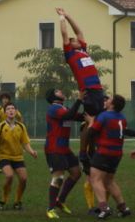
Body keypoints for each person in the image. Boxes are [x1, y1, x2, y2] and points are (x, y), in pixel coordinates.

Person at [56, 8, 105, 170]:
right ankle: (83, 152)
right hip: (88, 91)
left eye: (76, 40)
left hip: (98, 90)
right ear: (70, 45)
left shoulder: (83, 50)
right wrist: (61, 18)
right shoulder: (70, 54)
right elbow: (64, 34)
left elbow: (79, 31)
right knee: (89, 120)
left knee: (96, 122)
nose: (76, 39)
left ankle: (91, 150)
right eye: (73, 40)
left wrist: (69, 14)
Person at [88, 94, 135, 220]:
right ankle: (123, 208)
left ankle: (104, 209)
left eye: (109, 99)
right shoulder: (122, 117)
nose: (106, 100)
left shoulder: (104, 116)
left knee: (95, 179)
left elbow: (92, 132)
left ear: (112, 104)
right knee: (109, 181)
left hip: (104, 152)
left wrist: (91, 121)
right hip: (117, 154)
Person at [0, 102, 38, 211]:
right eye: (8, 109)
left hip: (18, 157)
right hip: (4, 156)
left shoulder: (21, 126)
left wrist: (32, 152)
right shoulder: (0, 126)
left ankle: (17, 202)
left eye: (13, 108)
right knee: (9, 176)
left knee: (23, 179)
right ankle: (4, 200)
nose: (11, 110)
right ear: (5, 113)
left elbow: (25, 143)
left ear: (16, 111)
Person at [44, 89, 84, 219]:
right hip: (54, 148)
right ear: (53, 96)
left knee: (76, 173)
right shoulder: (54, 108)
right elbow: (68, 116)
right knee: (58, 178)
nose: (61, 91)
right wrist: (79, 99)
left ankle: (60, 200)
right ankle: (50, 209)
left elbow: (78, 116)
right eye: (57, 91)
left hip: (65, 149)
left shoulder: (64, 108)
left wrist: (93, 109)